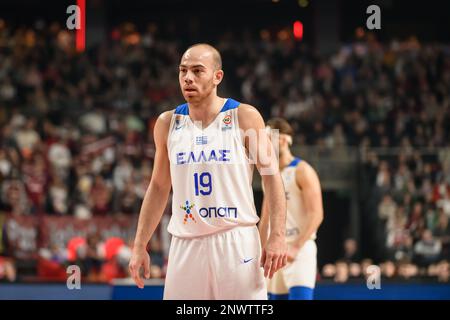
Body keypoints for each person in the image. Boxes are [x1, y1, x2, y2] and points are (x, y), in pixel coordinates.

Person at [129, 43, 287, 300]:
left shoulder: (245, 116)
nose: (188, 78)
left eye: (197, 71)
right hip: (185, 241)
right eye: (183, 71)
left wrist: (276, 235)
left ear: (217, 77)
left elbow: (272, 177)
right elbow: (158, 187)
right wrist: (139, 245)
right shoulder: (167, 123)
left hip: (236, 239)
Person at [260, 118, 323, 300]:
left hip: (299, 249)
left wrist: (296, 247)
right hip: (274, 250)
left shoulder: (302, 170)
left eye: (268, 137)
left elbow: (316, 214)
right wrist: (259, 249)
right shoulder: (269, 175)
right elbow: (265, 217)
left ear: (283, 140)